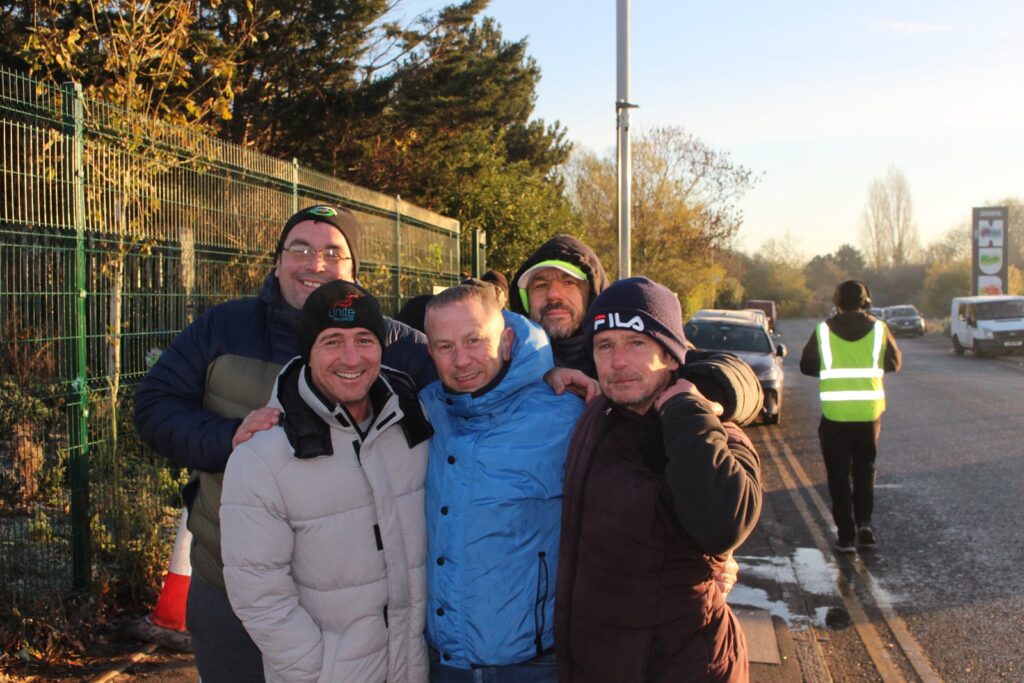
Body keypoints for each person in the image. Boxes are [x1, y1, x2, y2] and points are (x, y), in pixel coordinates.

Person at [133, 204, 435, 681]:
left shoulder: (397, 347)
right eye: (301, 249)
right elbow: (153, 405)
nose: (316, 264)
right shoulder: (222, 328)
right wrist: (227, 436)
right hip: (229, 584)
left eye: (333, 253)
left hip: (353, 604)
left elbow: (475, 365)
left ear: (354, 271)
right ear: (277, 262)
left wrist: (550, 369)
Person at [219, 281, 430, 683]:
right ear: (307, 351)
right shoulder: (262, 458)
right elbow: (258, 595)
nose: (351, 357)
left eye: (364, 339)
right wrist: (318, 671)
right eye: (332, 341)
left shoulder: (412, 424)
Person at [555, 277, 763, 683]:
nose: (617, 362)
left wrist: (688, 409)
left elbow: (724, 522)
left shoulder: (710, 426)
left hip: (681, 668)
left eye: (636, 344)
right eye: (604, 346)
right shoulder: (602, 411)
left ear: (671, 356)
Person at [418, 281, 585, 681]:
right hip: (442, 662)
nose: (461, 360)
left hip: (531, 664)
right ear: (431, 352)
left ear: (507, 340)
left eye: (475, 340)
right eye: (445, 346)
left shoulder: (565, 415)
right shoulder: (424, 411)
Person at [799, 280, 902, 553]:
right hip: (868, 414)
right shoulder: (879, 329)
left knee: (838, 475)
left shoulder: (823, 331)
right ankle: (865, 524)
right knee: (865, 469)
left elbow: (806, 366)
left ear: (837, 302)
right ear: (866, 302)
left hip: (835, 414)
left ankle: (846, 536)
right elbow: (894, 363)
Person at [510, 235, 609, 375]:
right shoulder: (498, 365)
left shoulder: (623, 368)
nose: (553, 295)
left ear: (592, 295)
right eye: (541, 285)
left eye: (569, 283)